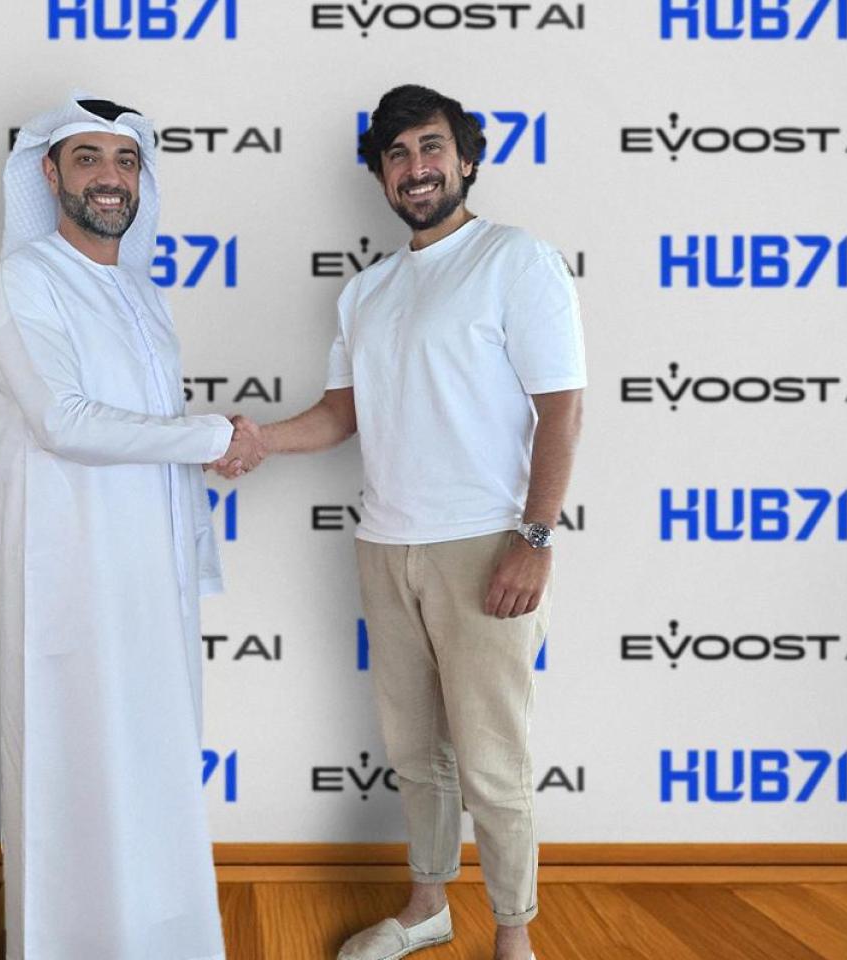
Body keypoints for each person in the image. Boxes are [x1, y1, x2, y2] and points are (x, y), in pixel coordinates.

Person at [220, 84, 585, 960]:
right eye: (397, 155)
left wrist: (534, 539)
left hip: (485, 544)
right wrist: (259, 439)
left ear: (466, 159)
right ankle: (427, 907)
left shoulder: (515, 259)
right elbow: (339, 415)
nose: (415, 168)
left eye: (430, 148)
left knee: (492, 760)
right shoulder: (367, 292)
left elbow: (562, 408)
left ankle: (514, 936)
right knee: (416, 753)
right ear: (382, 176)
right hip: (386, 546)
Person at [0, 93, 263, 960]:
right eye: (88, 158)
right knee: (76, 774)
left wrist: (192, 550)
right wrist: (214, 436)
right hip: (72, 580)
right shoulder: (26, 281)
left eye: (126, 161)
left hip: (151, 581)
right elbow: (63, 420)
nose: (110, 177)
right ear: (49, 173)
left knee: (154, 771)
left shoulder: (140, 290)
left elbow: (150, 430)